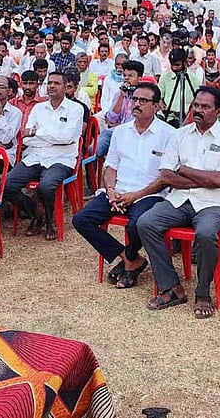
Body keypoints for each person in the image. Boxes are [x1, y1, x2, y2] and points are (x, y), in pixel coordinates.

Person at [139, 86, 220, 319]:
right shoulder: (179, 134)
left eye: (205, 107)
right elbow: (166, 176)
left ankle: (203, 293)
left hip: (215, 204)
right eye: (196, 105)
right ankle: (171, 287)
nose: (198, 110)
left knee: (205, 233)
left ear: (219, 111)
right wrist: (203, 179)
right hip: (180, 199)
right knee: (146, 223)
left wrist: (183, 170)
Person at [72, 82, 173, 289]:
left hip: (149, 194)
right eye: (134, 99)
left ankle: (129, 262)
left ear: (156, 106)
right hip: (117, 191)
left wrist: (135, 196)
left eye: (143, 100)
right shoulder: (121, 131)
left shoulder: (169, 134)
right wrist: (110, 190)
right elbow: (111, 166)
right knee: (81, 219)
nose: (136, 104)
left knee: (137, 224)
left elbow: (165, 178)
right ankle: (130, 259)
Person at [2, 72, 84, 240]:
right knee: (6, 185)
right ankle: (37, 213)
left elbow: (67, 138)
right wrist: (51, 138)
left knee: (46, 186)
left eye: (57, 83)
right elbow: (27, 137)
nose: (52, 86)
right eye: (49, 83)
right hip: (35, 156)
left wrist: (38, 132)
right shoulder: (38, 108)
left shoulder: (75, 109)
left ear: (65, 86)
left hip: (61, 159)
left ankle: (50, 220)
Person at [0, 75, 23, 163]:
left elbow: (6, 139)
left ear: (10, 91)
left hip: (4, 157)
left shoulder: (16, 113)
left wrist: (0, 115)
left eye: (1, 87)